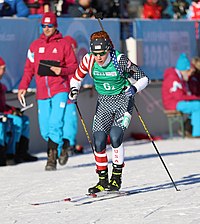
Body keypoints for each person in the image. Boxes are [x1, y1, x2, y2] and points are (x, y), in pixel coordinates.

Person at [69, 30, 150, 193]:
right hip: (104, 101)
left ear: (108, 50)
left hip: (123, 100)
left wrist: (134, 88)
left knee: (115, 136)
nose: (99, 57)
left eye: (102, 53)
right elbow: (76, 78)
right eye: (95, 53)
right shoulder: (88, 60)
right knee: (98, 140)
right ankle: (102, 180)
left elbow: (144, 78)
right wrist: (74, 89)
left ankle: (116, 178)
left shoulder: (119, 60)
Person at [17, 12, 78, 171]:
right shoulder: (35, 45)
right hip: (42, 92)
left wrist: (62, 71)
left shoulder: (64, 44)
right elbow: (29, 69)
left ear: (55, 26)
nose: (46, 28)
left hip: (60, 89)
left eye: (49, 26)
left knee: (55, 123)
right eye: (44, 26)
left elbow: (73, 66)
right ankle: (63, 144)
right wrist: (22, 87)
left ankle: (51, 158)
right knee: (45, 130)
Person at [0, 56, 38, 165]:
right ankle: (8, 154)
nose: (4, 71)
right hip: (2, 117)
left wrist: (13, 110)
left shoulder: (2, 86)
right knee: (14, 121)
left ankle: (21, 152)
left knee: (24, 119)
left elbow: (2, 106)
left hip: (3, 114)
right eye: (2, 68)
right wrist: (9, 112)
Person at [162, 53, 200, 138]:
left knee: (196, 104)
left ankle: (189, 129)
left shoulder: (179, 77)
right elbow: (179, 97)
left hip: (177, 102)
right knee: (198, 105)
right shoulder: (173, 77)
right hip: (173, 104)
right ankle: (197, 134)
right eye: (187, 71)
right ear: (183, 69)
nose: (188, 73)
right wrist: (196, 98)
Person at [63, 35, 83, 155]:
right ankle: (66, 144)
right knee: (66, 119)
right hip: (61, 92)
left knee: (70, 120)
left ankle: (70, 143)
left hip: (69, 93)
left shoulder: (74, 61)